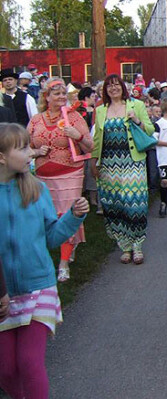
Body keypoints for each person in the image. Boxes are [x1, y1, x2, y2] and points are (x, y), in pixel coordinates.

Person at [0, 122, 88, 399]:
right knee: (6, 369)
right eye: (23, 148)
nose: (31, 153)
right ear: (2, 157)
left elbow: (51, 237)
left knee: (29, 362)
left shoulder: (36, 189)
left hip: (38, 287)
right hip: (2, 294)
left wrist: (73, 217)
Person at [27, 77, 93, 283]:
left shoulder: (73, 118)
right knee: (48, 216)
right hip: (43, 177)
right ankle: (62, 248)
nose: (62, 97)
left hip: (70, 174)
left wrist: (77, 136)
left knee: (67, 213)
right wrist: (37, 151)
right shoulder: (36, 120)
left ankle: (63, 263)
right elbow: (25, 147)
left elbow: (90, 146)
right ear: (46, 97)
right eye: (57, 93)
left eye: (64, 93)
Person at [91, 74, 154, 265]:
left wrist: (136, 121)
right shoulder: (101, 110)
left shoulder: (136, 105)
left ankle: (137, 245)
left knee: (134, 203)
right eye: (109, 86)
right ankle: (124, 245)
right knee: (115, 204)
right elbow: (97, 138)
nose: (113, 88)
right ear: (105, 90)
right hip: (109, 165)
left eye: (116, 85)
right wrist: (94, 161)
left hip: (132, 163)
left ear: (122, 87)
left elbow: (150, 130)